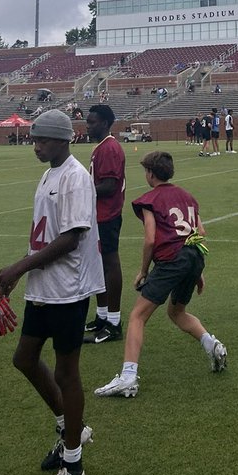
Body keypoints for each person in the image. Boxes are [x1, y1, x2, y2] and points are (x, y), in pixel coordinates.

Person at [0, 109, 104, 475]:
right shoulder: (49, 173)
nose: (35, 145)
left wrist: (20, 267)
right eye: (34, 139)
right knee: (24, 359)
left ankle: (73, 465)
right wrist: (16, 273)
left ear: (61, 140)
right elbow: (44, 233)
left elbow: (73, 238)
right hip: (45, 284)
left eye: (42, 140)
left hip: (69, 288)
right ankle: (69, 428)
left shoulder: (75, 176)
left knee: (66, 371)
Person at [94, 149, 227, 398]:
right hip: (193, 256)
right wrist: (196, 269)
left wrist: (143, 271)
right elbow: (200, 232)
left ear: (150, 173)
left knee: (136, 317)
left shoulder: (150, 200)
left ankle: (128, 377)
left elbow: (150, 239)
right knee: (177, 312)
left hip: (172, 260)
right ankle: (213, 345)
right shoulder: (187, 196)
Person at [82, 104, 126, 345]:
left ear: (106, 123)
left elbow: (109, 185)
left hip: (107, 214)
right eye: (87, 121)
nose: (88, 126)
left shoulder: (109, 147)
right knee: (98, 265)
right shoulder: (102, 147)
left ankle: (115, 321)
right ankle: (102, 316)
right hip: (98, 214)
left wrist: (81, 189)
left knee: (109, 263)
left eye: (93, 122)